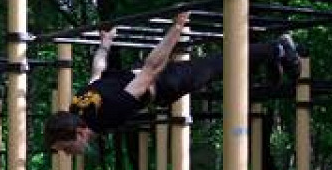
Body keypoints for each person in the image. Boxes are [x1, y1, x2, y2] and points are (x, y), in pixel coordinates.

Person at [45, 12, 300, 155]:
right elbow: (96, 73)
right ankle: (270, 57)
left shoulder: (110, 113)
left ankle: (279, 48)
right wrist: (105, 45)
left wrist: (176, 29)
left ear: (80, 133)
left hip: (167, 83)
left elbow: (151, 69)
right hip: (155, 90)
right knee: (220, 69)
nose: (69, 154)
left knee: (222, 64)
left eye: (68, 148)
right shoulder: (77, 106)